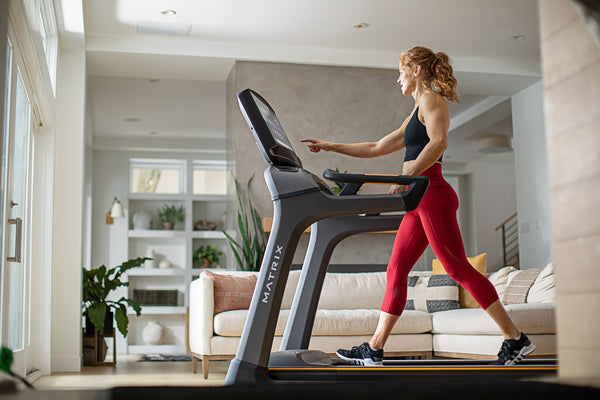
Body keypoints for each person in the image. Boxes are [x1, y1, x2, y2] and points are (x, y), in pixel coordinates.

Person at [301, 46, 535, 366]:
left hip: (432, 193)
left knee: (456, 268)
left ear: (416, 71)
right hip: (418, 198)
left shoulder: (432, 100)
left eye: (401, 71)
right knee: (396, 270)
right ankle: (375, 348)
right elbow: (378, 146)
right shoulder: (415, 112)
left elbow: (439, 142)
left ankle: (515, 338)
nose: (398, 78)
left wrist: (409, 172)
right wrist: (329, 144)